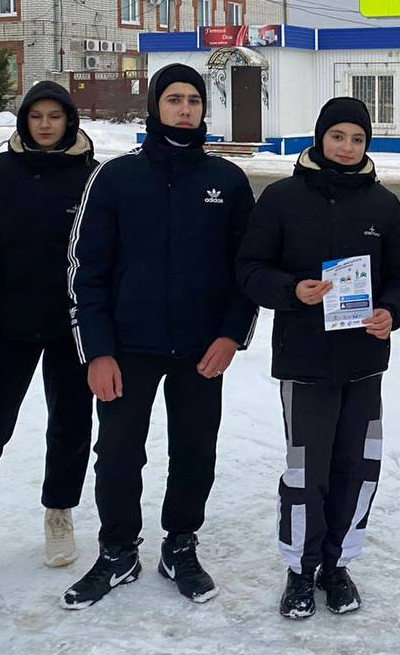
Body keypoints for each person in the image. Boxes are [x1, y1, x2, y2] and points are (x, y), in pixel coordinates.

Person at [62, 64, 257, 610]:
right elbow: (86, 269)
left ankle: (180, 543)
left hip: (201, 348)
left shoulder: (227, 180)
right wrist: (97, 351)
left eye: (194, 99)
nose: (186, 108)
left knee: (195, 450)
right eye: (174, 99)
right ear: (156, 107)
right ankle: (118, 549)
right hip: (127, 348)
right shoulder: (116, 177)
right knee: (119, 454)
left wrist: (231, 337)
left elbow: (248, 268)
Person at [237, 97, 400, 619]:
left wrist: (390, 312)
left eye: (357, 139)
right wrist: (294, 290)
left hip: (364, 360)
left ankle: (337, 566)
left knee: (357, 467)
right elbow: (249, 270)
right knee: (305, 471)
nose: (346, 147)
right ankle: (300, 569)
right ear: (320, 138)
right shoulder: (281, 198)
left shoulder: (382, 204)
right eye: (338, 136)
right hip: (306, 361)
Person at [0, 81, 97, 567]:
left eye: (55, 116)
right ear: (23, 121)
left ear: (70, 121)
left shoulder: (91, 176)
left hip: (71, 328)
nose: (45, 125)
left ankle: (59, 512)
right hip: (9, 325)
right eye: (36, 116)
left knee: (69, 425)